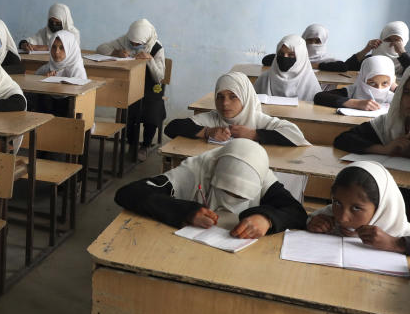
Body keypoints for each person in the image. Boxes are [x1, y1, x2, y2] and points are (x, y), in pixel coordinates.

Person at [114, 139, 307, 236]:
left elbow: (297, 213)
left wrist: (267, 219)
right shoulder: (198, 170)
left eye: (240, 195)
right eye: (225, 189)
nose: (231, 197)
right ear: (215, 172)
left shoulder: (260, 175)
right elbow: (129, 193)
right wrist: (186, 212)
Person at [164, 71, 309, 146]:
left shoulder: (258, 120)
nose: (225, 103)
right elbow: (171, 128)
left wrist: (254, 134)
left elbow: (296, 135)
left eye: (233, 96)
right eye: (220, 97)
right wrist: (207, 132)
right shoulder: (214, 119)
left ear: (245, 97)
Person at [97, 19, 167, 159]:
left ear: (146, 40)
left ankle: (145, 145)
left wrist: (150, 60)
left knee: (151, 112)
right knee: (129, 110)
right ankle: (132, 143)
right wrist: (115, 52)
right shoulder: (124, 40)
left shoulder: (157, 48)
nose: (134, 45)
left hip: (151, 88)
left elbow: (159, 76)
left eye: (138, 44)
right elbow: (100, 48)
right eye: (132, 43)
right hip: (131, 85)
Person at [307, 161, 410, 254]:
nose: (343, 218)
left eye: (356, 208)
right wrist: (310, 225)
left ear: (381, 208)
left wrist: (395, 243)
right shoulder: (327, 215)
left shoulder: (399, 231)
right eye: (337, 203)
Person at [334, 71, 410, 156]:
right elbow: (343, 139)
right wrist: (384, 149)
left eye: (385, 83)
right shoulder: (391, 122)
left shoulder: (390, 96)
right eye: (407, 92)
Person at [254, 34, 321, 101]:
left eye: (291, 55)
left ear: (301, 57)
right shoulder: (264, 78)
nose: (285, 57)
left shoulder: (310, 83)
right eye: (281, 54)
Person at [313, 56, 394, 110]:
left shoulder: (394, 97)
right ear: (362, 79)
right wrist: (356, 103)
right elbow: (319, 97)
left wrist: (396, 89)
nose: (379, 88)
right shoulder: (353, 91)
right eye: (372, 83)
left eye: (385, 83)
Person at [339, 20, 410, 75]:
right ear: (382, 38)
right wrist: (365, 50)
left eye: (397, 41)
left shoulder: (405, 63)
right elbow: (346, 67)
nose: (392, 44)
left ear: (404, 41)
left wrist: (402, 53)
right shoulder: (372, 59)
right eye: (388, 39)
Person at [262, 23, 342, 70]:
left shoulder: (329, 60)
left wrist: (314, 65)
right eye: (309, 40)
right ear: (304, 40)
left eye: (317, 41)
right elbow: (266, 60)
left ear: (324, 42)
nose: (313, 44)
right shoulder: (295, 54)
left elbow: (343, 67)